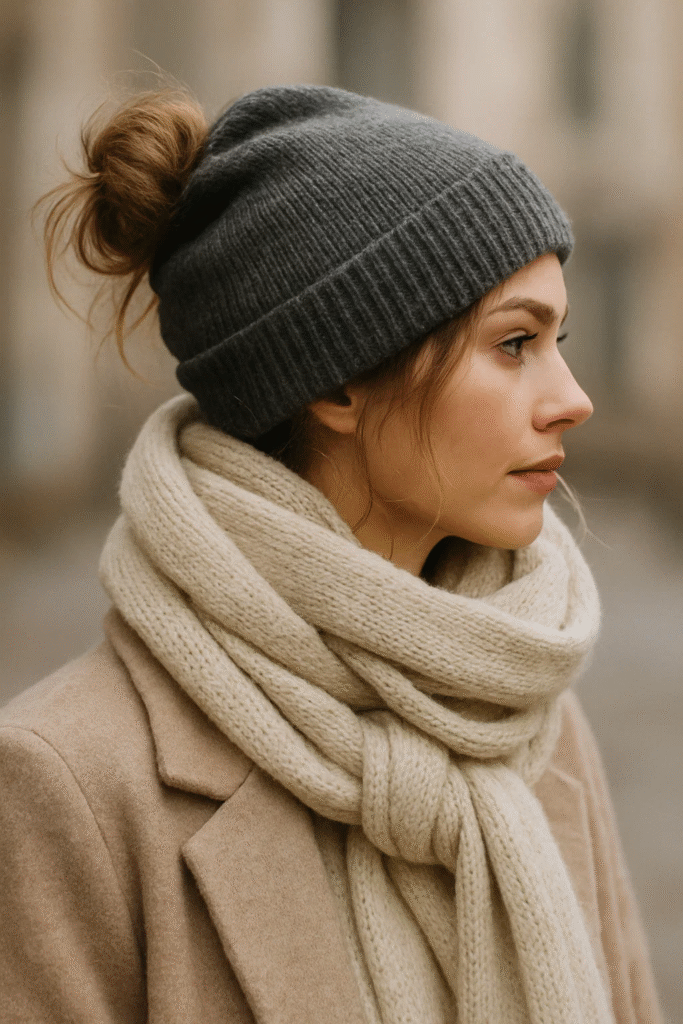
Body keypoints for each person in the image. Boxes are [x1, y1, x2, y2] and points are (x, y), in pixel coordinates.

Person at [0, 84, 663, 1024]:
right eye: (514, 343)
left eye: (560, 339)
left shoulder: (532, 725)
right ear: (338, 380)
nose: (572, 397)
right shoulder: (63, 783)